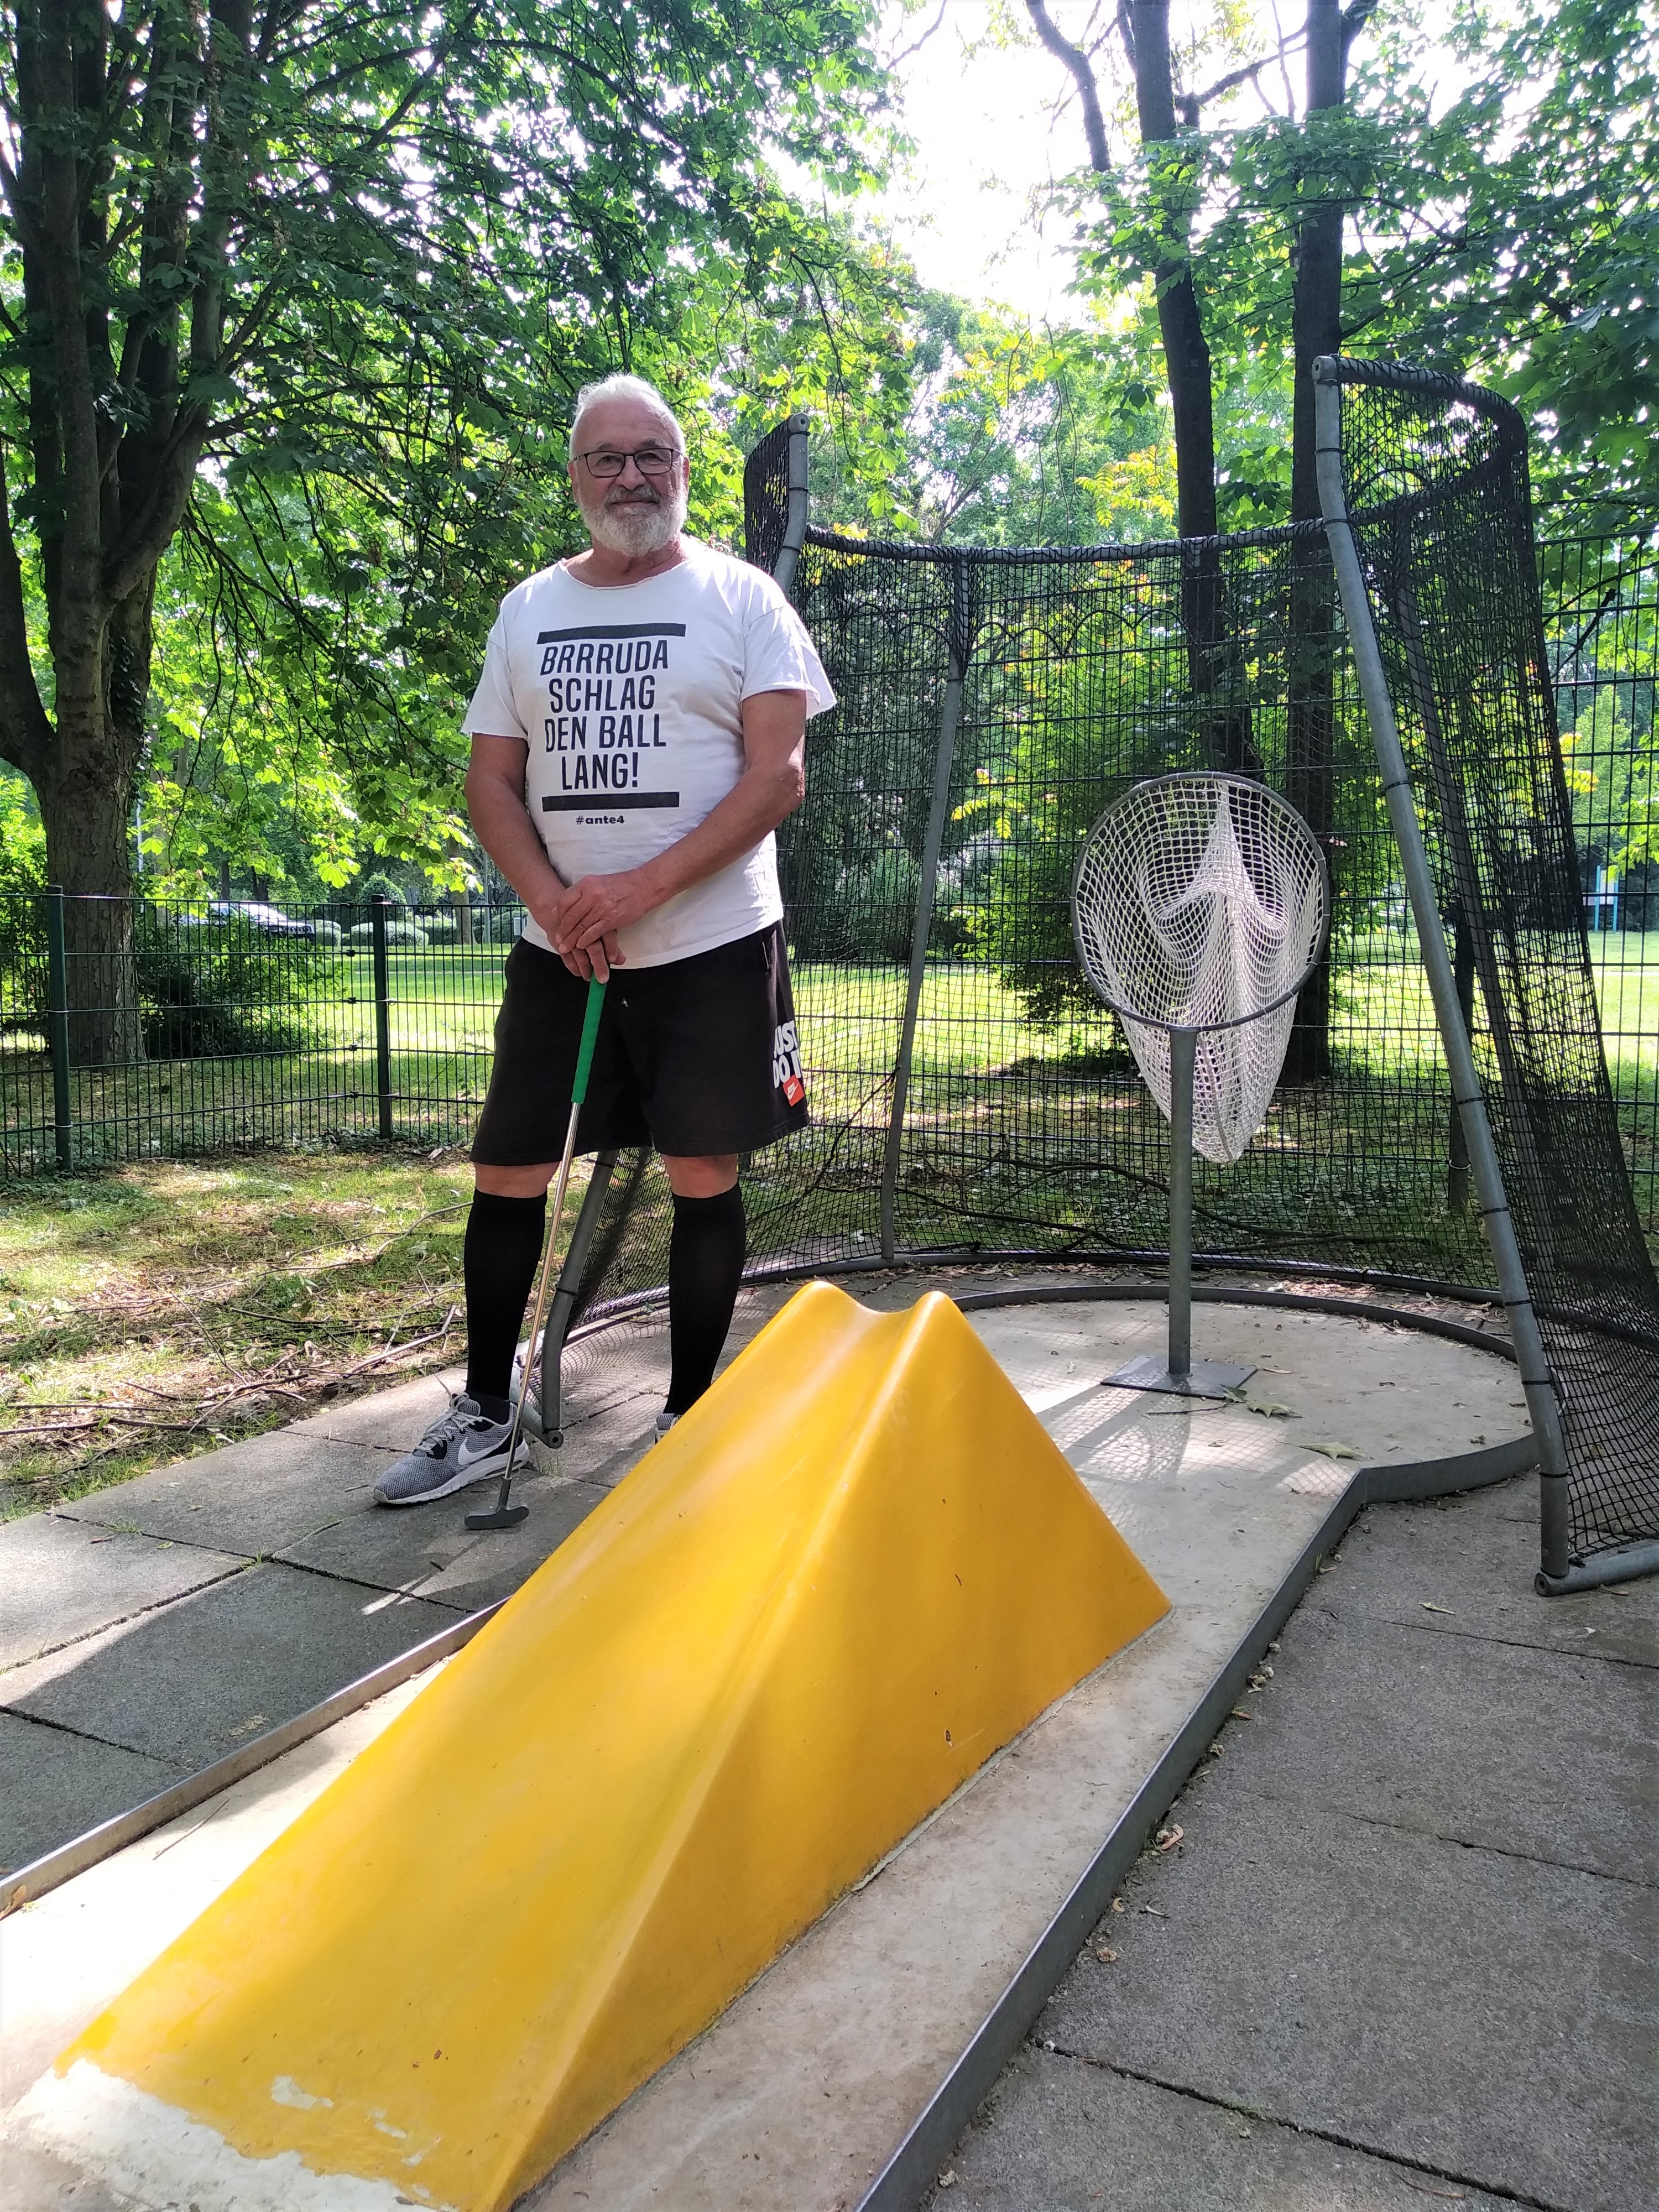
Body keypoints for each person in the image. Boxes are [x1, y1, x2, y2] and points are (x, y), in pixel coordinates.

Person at [374, 375, 833, 1506]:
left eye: (652, 455)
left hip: (713, 941)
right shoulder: (529, 608)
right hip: (560, 948)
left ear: (681, 469)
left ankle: (688, 1419)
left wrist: (633, 890)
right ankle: (486, 1412)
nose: (631, 476)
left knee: (702, 1168)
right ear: (575, 477)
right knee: (508, 1167)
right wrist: (555, 898)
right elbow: (490, 777)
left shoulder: (745, 601)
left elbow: (780, 775)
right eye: (606, 458)